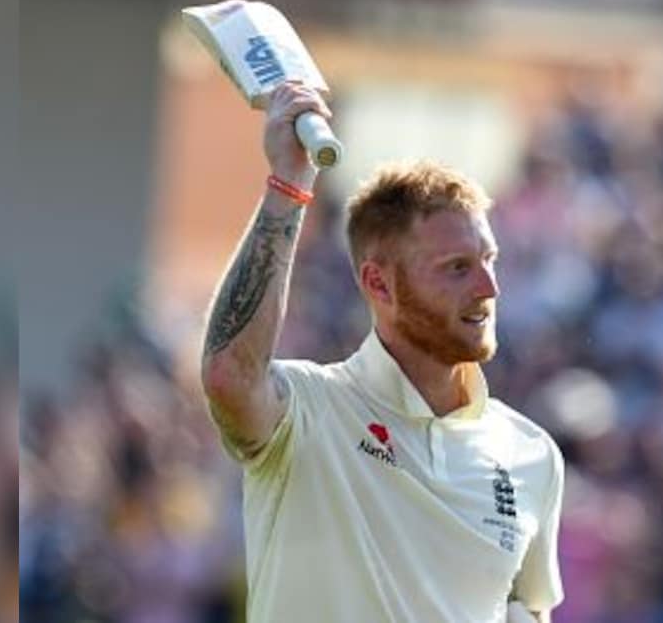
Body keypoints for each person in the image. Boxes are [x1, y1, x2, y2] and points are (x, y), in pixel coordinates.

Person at [200, 81, 565, 622]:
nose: (489, 287)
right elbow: (230, 374)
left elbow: (526, 611)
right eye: (457, 269)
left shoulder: (531, 453)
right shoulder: (309, 410)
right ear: (379, 285)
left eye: (489, 261)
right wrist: (288, 185)